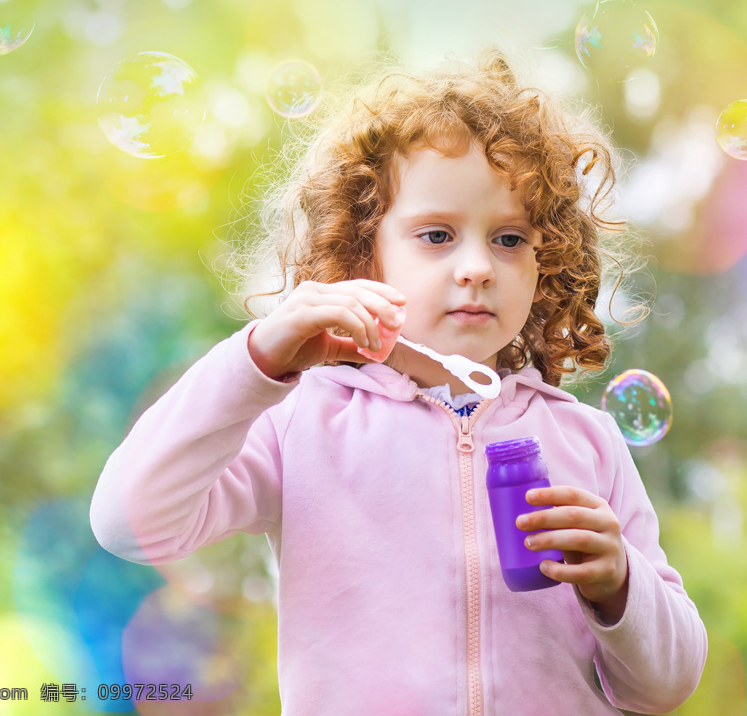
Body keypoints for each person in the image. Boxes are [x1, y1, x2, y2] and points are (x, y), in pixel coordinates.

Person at [91, 49, 707, 715]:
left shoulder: (586, 440)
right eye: (437, 235)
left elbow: (666, 687)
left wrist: (620, 587)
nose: (477, 266)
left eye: (509, 240)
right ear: (366, 253)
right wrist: (257, 361)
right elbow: (128, 521)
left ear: (546, 260)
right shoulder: (302, 426)